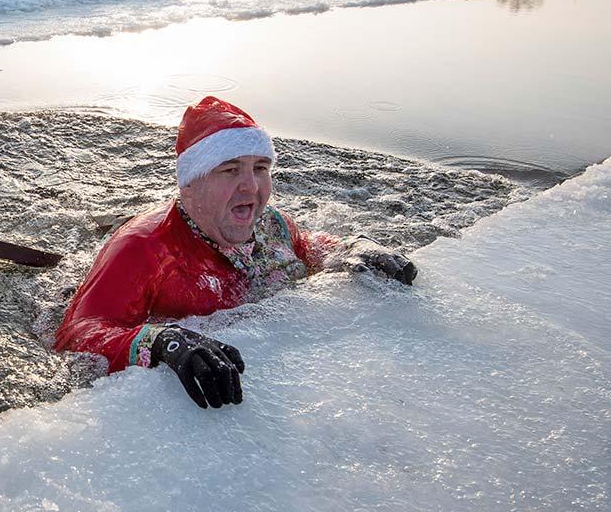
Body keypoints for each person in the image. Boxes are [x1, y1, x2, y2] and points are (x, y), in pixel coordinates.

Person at [54, 96, 417, 409]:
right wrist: (162, 341)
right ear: (190, 185)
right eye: (230, 170)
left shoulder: (271, 224)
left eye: (260, 168)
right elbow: (76, 334)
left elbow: (307, 246)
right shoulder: (142, 249)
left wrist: (353, 248)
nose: (251, 186)